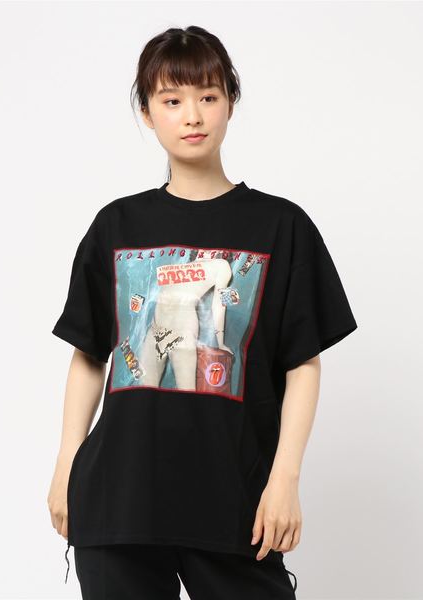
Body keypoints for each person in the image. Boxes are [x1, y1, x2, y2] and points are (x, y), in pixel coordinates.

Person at [47, 24, 358, 600]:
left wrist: (285, 478)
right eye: (171, 101)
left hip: (232, 496)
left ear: (230, 102)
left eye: (208, 96)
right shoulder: (117, 225)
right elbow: (89, 356)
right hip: (120, 498)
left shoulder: (281, 226)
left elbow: (303, 363)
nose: (192, 115)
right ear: (147, 113)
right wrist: (67, 464)